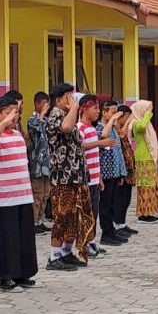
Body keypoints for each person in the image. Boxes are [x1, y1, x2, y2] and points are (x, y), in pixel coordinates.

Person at [0, 92, 39, 291]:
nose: (12, 117)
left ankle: (22, 274)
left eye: (15, 113)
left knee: (22, 238)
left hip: (22, 195)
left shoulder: (18, 136)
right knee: (4, 239)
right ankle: (4, 276)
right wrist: (2, 124)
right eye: (7, 113)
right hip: (2, 198)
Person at [46, 84, 89, 269]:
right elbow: (66, 128)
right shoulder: (55, 115)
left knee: (73, 215)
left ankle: (66, 252)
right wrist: (74, 108)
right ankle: (54, 256)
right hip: (62, 176)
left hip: (74, 174)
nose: (72, 100)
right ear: (58, 100)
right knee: (62, 215)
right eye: (68, 97)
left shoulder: (67, 114)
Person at [76, 96, 115, 256]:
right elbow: (79, 147)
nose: (98, 111)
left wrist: (98, 177)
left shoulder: (92, 128)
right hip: (84, 178)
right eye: (95, 108)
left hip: (93, 177)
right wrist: (100, 143)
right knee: (86, 213)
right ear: (85, 109)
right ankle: (84, 244)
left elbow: (94, 156)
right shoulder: (80, 128)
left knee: (93, 212)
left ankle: (92, 242)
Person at [99, 101, 130, 245]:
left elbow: (118, 151)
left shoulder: (114, 129)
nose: (115, 116)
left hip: (115, 172)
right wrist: (112, 120)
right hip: (106, 173)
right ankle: (106, 233)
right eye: (112, 112)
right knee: (105, 204)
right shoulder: (101, 127)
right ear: (104, 112)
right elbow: (103, 136)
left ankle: (112, 231)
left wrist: (122, 172)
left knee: (113, 203)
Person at [130, 100, 158, 223]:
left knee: (151, 186)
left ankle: (149, 212)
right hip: (143, 158)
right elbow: (142, 127)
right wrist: (147, 115)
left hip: (149, 157)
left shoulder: (146, 124)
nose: (149, 112)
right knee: (145, 187)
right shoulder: (136, 123)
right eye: (147, 109)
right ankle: (143, 214)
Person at [27, 92, 52, 233]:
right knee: (37, 195)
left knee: (45, 194)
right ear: (37, 104)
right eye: (43, 104)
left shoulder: (46, 120)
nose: (46, 107)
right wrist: (41, 114)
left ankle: (40, 221)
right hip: (36, 164)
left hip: (47, 164)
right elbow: (35, 128)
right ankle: (33, 222)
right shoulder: (32, 119)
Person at [113, 106, 138, 238]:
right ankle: (117, 225)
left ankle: (122, 223)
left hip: (128, 170)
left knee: (126, 198)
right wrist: (127, 122)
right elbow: (121, 134)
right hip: (121, 171)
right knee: (120, 199)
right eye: (128, 117)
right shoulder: (115, 130)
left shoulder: (122, 130)